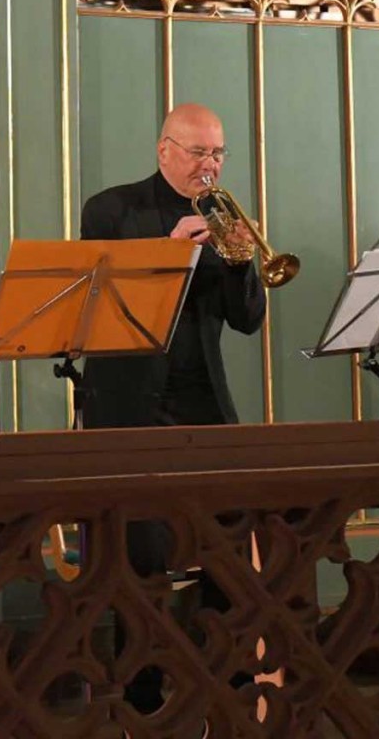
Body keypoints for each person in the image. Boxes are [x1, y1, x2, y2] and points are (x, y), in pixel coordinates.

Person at [80, 102, 267, 714]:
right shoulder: (111, 209)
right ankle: (141, 700)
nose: (209, 166)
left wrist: (241, 260)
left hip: (202, 403)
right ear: (164, 150)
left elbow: (247, 321)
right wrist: (170, 250)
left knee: (228, 553)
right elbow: (103, 304)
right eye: (197, 152)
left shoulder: (223, 215)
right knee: (140, 562)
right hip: (129, 409)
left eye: (218, 153)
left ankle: (229, 690)